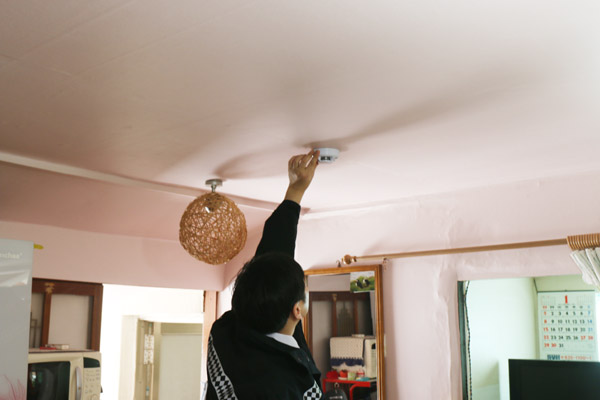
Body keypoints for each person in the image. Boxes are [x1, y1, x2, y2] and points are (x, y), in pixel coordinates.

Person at [206, 150, 322, 400]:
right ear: (297, 310)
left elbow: (271, 262)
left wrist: (295, 191)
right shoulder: (226, 331)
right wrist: (295, 190)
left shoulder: (228, 333)